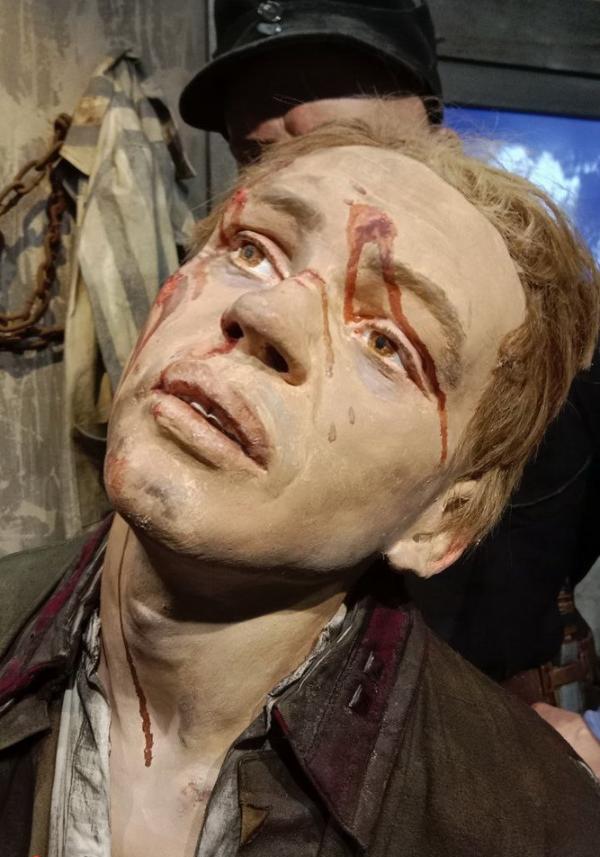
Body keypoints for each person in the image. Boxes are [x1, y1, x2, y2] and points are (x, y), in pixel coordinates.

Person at [1, 118, 600, 857]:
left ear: (441, 519)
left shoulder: (541, 850)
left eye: (386, 342)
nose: (267, 314)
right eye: (253, 250)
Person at [180, 0, 600, 761]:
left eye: (348, 143)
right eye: (258, 155)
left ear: (438, 141)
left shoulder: (558, 368)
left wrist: (535, 746)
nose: (306, 186)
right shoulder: (213, 331)